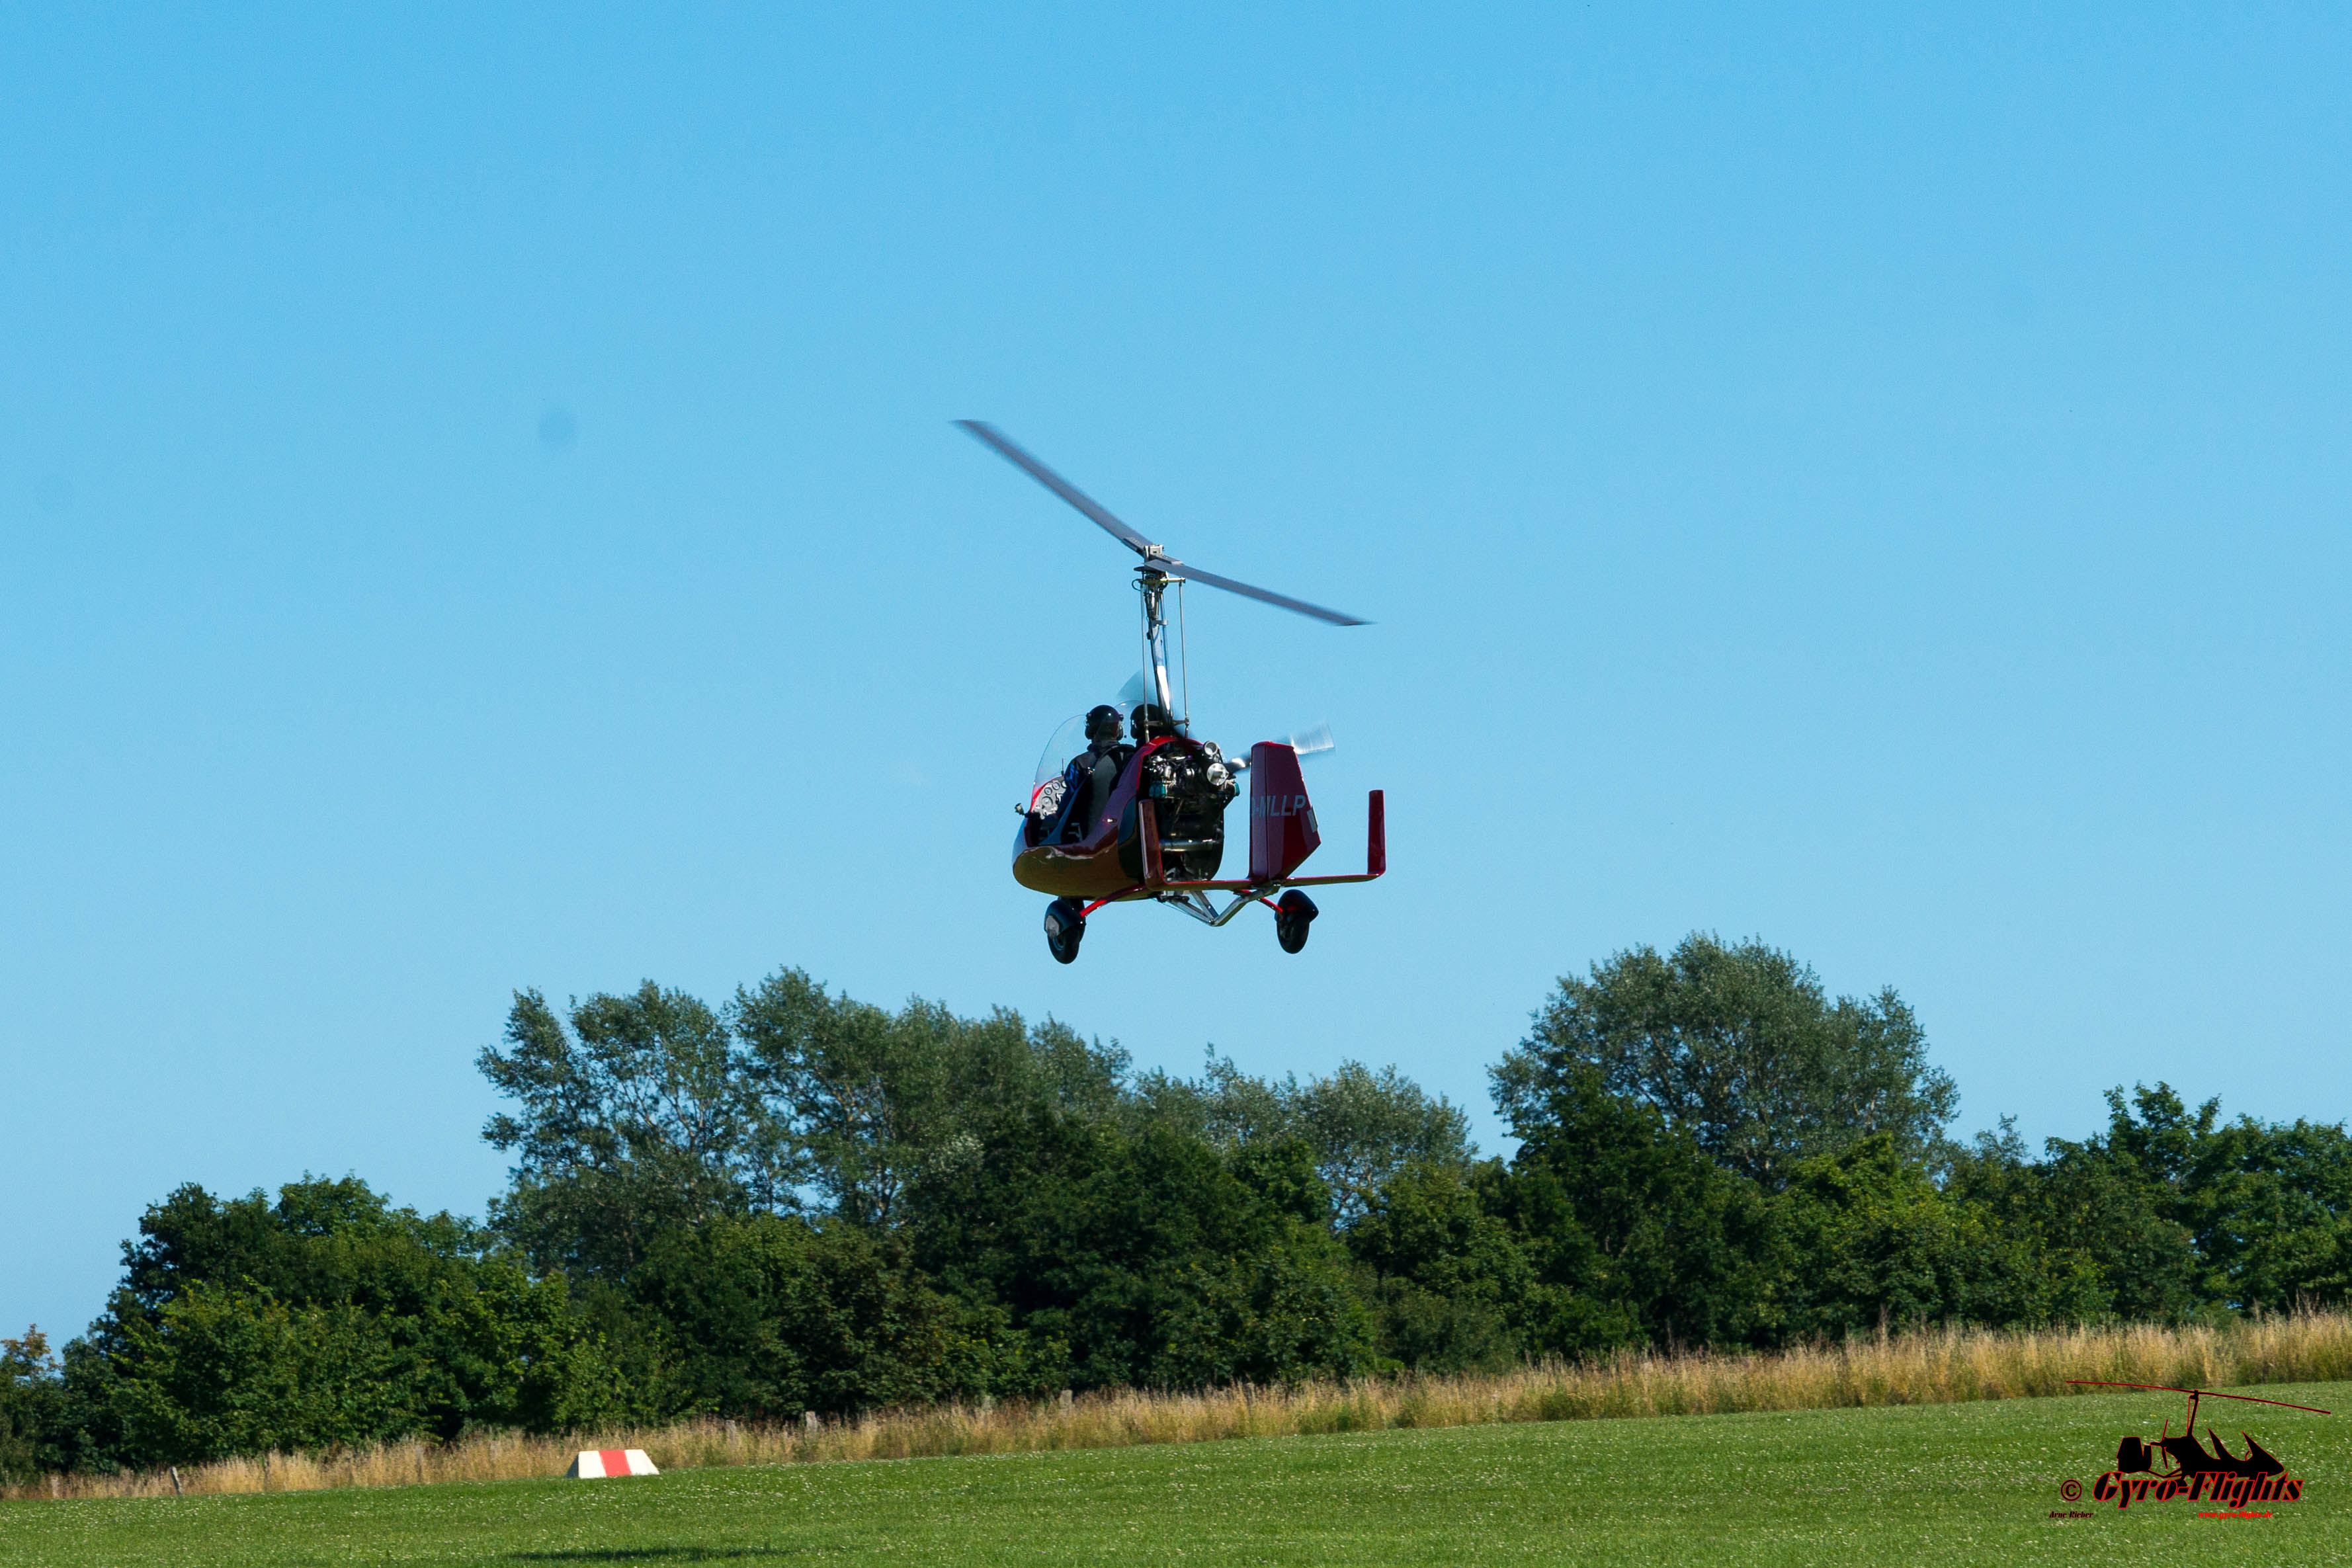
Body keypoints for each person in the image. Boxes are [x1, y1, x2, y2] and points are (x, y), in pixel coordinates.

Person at [1052, 704, 1131, 843]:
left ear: (1091, 729)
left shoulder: (1080, 764)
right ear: (1118, 730)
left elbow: (1068, 803)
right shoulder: (1132, 757)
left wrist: (1054, 817)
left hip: (1090, 840)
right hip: (1127, 834)